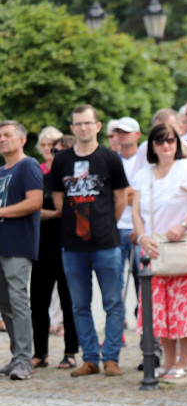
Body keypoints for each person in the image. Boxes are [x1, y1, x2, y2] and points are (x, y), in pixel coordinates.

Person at [50, 105, 130, 378]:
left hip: (106, 243)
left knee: (112, 303)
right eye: (78, 124)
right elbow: (59, 200)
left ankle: (111, 358)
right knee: (79, 304)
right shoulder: (61, 160)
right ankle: (90, 358)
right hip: (72, 245)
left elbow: (121, 199)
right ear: (72, 129)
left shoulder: (111, 158)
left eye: (88, 123)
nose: (83, 128)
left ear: (98, 126)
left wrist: (106, 223)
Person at [132, 124, 187, 384]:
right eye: (161, 141)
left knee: (184, 307)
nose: (166, 146)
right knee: (159, 309)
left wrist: (185, 224)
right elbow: (136, 211)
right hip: (154, 246)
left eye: (171, 141)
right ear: (152, 146)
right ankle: (167, 360)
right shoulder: (144, 174)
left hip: (182, 244)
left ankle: (185, 362)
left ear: (177, 144)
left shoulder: (186, 169)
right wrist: (142, 236)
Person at [31, 126, 79, 369]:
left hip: (69, 245)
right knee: (38, 300)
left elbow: (72, 212)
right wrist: (54, 213)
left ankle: (71, 351)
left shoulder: (76, 181)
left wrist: (48, 213)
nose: (55, 155)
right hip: (42, 245)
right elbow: (31, 208)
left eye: (61, 151)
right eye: (53, 151)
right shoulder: (43, 178)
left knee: (68, 299)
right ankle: (40, 352)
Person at [0, 120, 43, 381]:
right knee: (5, 305)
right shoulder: (2, 171)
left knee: (18, 301)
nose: (2, 139)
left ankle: (25, 360)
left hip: (18, 245)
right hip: (1, 245)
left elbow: (35, 202)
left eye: (7, 135)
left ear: (22, 140)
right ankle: (16, 356)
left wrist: (2, 212)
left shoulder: (29, 166)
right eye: (0, 136)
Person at [110, 117, 145, 317]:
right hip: (115, 225)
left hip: (137, 226)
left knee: (142, 277)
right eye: (119, 132)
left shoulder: (145, 160)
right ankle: (117, 322)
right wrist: (129, 194)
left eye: (127, 132)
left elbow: (144, 194)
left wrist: (122, 194)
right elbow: (111, 194)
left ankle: (142, 319)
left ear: (137, 134)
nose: (121, 136)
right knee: (114, 279)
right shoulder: (111, 159)